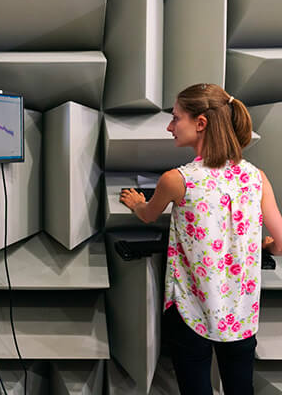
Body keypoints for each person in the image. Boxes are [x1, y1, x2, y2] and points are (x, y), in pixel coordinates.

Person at [119, 83, 282, 395]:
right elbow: (281, 242)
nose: (169, 127)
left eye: (175, 118)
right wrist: (267, 246)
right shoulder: (256, 177)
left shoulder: (176, 180)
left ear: (201, 123)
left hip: (191, 312)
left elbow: (148, 215)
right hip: (241, 314)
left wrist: (136, 203)